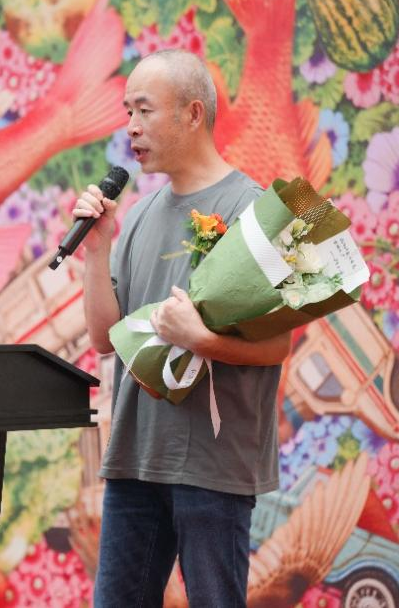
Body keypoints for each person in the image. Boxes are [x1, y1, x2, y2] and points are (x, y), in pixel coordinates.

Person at [75, 49, 291, 607]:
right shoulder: (140, 214)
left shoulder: (251, 211)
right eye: (128, 111)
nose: (131, 126)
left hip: (213, 468)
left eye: (144, 110)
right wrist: (96, 249)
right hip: (134, 457)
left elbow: (278, 344)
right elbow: (104, 339)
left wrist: (202, 340)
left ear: (193, 114)